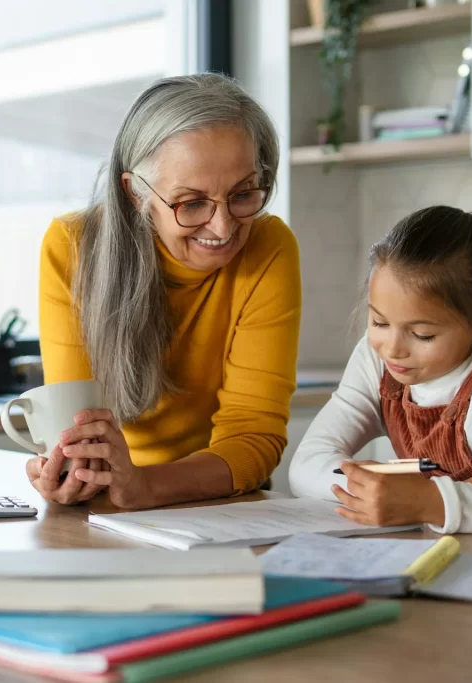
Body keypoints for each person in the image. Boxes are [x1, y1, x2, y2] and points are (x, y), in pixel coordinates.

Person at [29, 73, 302, 509]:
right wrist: (66, 468)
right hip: (109, 502)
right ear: (135, 193)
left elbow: (253, 434)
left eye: (244, 194)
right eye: (192, 203)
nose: (224, 226)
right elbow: (75, 425)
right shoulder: (72, 246)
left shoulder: (270, 247)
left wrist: (146, 485)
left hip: (221, 502)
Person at [289, 205, 472, 535]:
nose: (392, 348)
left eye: (423, 335)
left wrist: (430, 500)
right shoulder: (377, 362)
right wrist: (382, 489)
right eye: (379, 322)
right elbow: (306, 463)